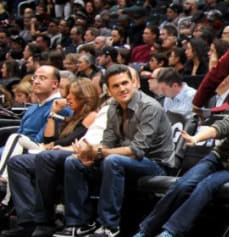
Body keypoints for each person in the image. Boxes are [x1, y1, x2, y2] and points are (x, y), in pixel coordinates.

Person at [132, 75, 229, 237]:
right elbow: (218, 129)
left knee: (207, 185)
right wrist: (196, 138)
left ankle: (171, 232)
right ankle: (145, 230)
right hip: (217, 159)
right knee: (183, 184)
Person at [55, 64, 174, 237]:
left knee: (112, 160)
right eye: (116, 86)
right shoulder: (113, 108)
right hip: (126, 159)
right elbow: (108, 142)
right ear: (109, 90)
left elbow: (137, 150)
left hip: (155, 164)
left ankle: (109, 226)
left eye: (125, 83)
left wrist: (99, 153)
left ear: (134, 83)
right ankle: (79, 223)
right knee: (74, 161)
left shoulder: (150, 107)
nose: (122, 89)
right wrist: (90, 153)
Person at [3, 78, 100, 237]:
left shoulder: (92, 115)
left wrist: (57, 145)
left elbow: (75, 142)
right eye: (67, 93)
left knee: (35, 151)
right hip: (53, 154)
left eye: (71, 94)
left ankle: (45, 219)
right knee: (17, 162)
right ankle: (28, 220)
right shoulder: (71, 116)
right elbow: (48, 139)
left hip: (72, 156)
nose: (67, 97)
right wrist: (53, 114)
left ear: (84, 97)